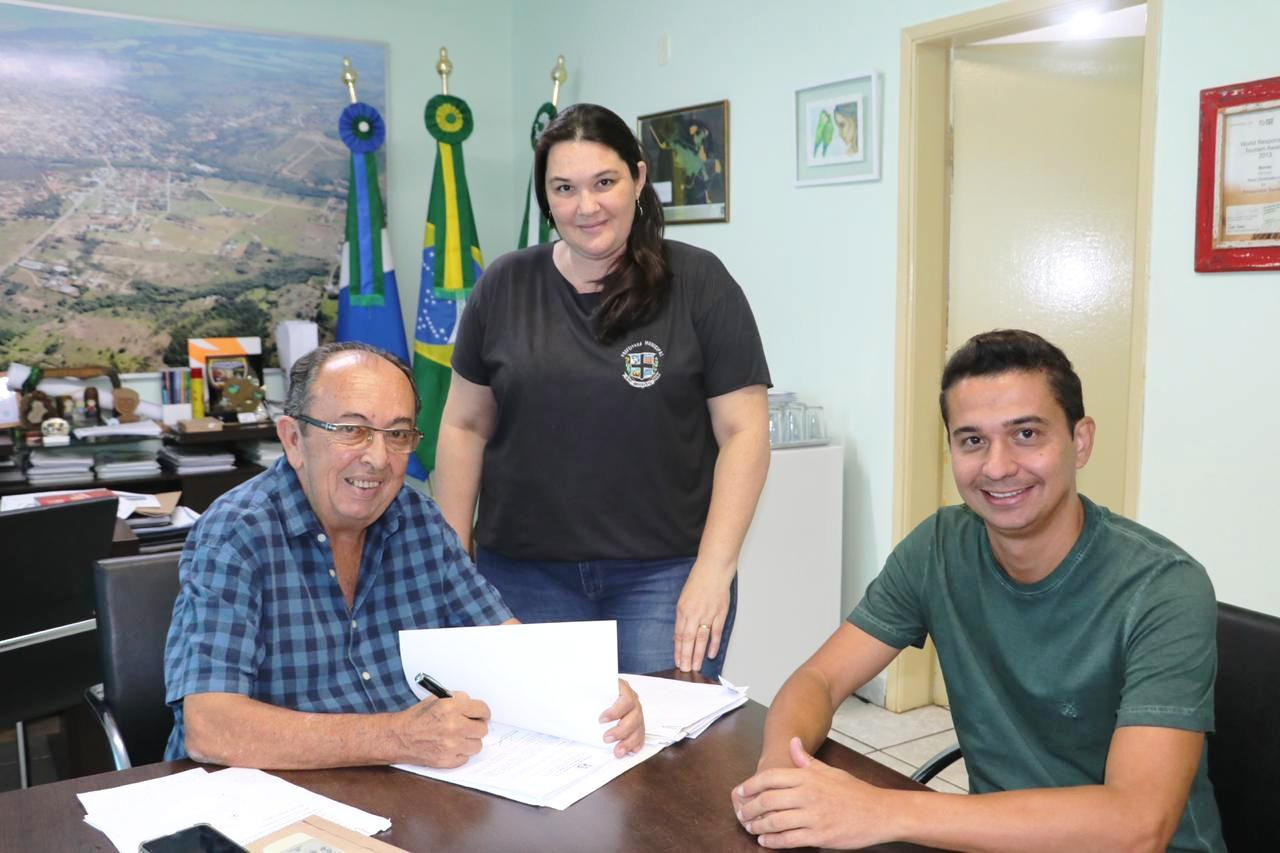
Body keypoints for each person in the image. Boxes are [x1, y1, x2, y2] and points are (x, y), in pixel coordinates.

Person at [732, 329, 1225, 852]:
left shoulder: (1163, 588)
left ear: (1080, 441)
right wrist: (780, 777)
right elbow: (821, 678)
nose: (997, 466)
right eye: (972, 440)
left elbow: (1136, 825)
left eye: (1027, 434)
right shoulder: (940, 546)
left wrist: (883, 808)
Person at [163, 341, 643, 769]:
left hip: (406, 786)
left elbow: (507, 644)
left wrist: (596, 694)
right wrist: (396, 737)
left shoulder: (416, 517)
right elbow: (212, 728)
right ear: (293, 439)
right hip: (266, 797)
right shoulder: (236, 532)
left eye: (397, 435)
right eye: (351, 430)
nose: (377, 457)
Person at [436, 103, 770, 679]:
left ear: (638, 179)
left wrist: (715, 569)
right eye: (564, 188)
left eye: (604, 182)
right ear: (545, 199)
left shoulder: (699, 283)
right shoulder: (504, 284)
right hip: (521, 574)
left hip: (664, 576)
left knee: (666, 754)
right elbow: (464, 425)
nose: (585, 206)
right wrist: (449, 557)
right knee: (538, 745)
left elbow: (744, 433)